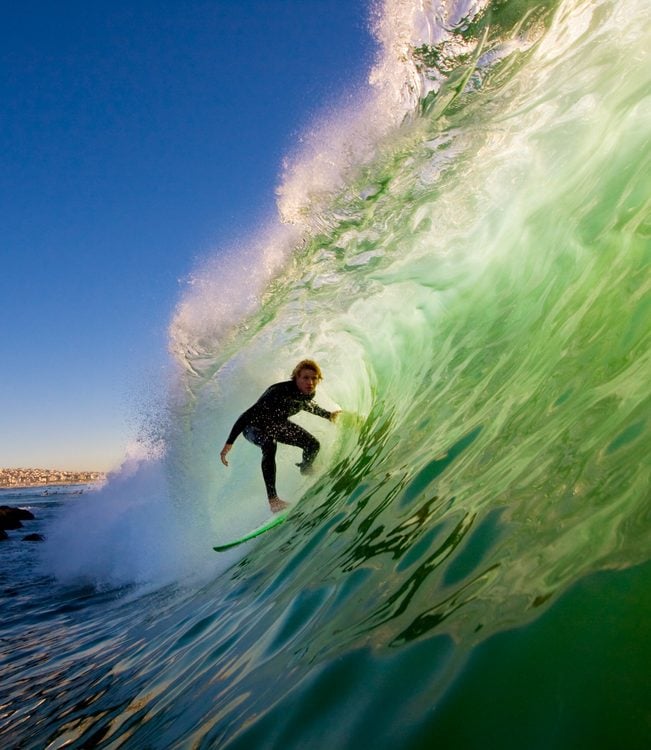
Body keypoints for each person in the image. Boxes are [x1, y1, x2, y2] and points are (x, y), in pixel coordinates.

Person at [220, 359, 341, 513]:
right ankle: (273, 501)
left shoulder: (308, 393)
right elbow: (246, 416)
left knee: (313, 445)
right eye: (305, 377)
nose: (310, 382)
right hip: (253, 426)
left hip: (277, 424)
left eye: (314, 378)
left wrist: (328, 415)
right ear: (296, 377)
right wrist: (229, 443)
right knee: (269, 444)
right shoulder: (278, 392)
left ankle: (305, 468)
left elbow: (305, 405)